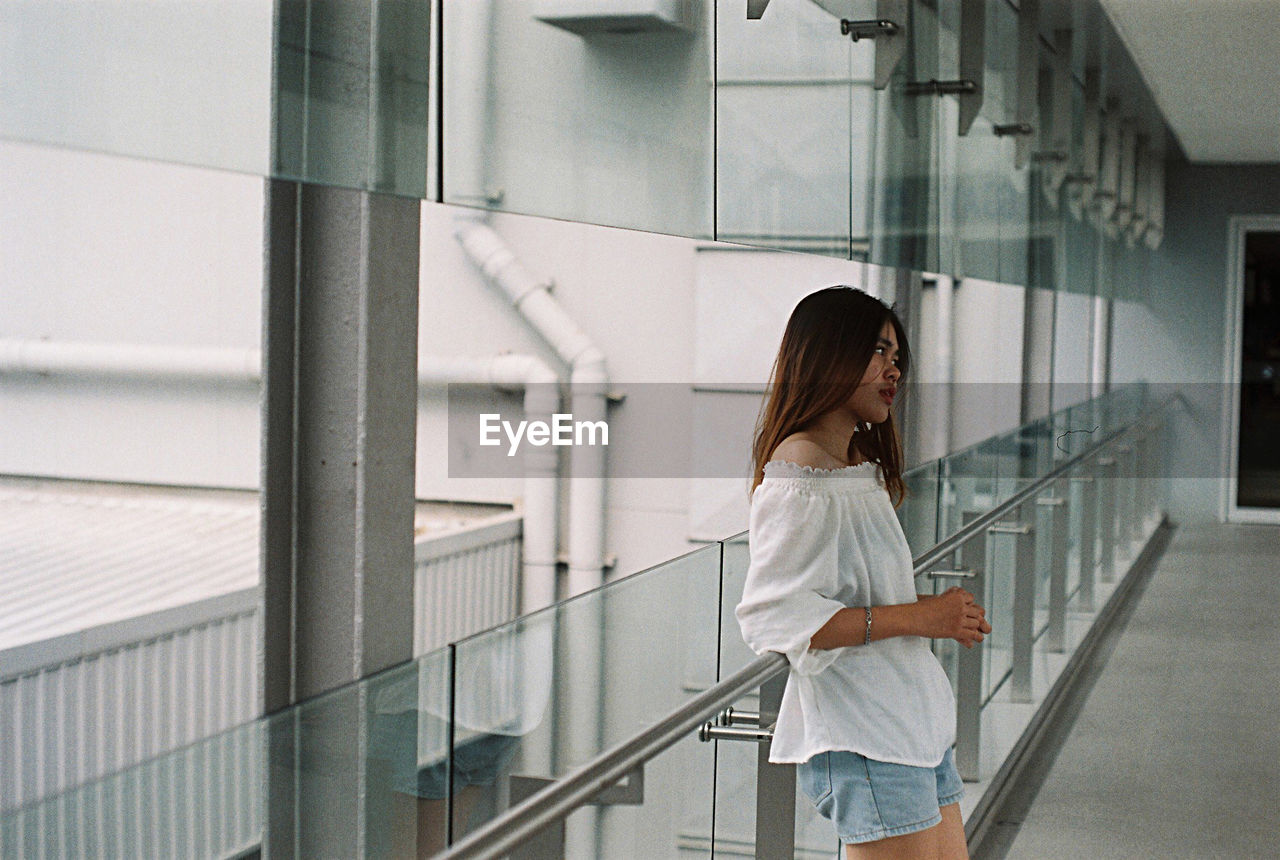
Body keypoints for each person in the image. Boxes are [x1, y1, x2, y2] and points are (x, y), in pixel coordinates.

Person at [736, 286, 992, 859]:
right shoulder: (798, 474)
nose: (893, 370)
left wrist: (935, 615)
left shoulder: (853, 468)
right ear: (828, 354)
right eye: (878, 352)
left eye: (897, 357)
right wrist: (923, 616)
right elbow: (773, 618)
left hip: (910, 725)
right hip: (866, 739)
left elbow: (855, 592)